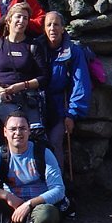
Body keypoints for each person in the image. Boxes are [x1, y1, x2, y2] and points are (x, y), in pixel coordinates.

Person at [0, 1, 50, 145]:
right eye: (18, 17)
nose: (22, 21)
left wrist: (21, 86)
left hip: (27, 95)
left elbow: (44, 77)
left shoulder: (33, 45)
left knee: (36, 134)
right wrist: (0, 90)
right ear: (9, 20)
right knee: (16, 126)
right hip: (3, 95)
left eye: (25, 18)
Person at [37, 11, 92, 165]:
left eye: (56, 24)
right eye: (48, 25)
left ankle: (58, 185)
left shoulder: (73, 52)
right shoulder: (36, 48)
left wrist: (72, 114)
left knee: (55, 143)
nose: (52, 28)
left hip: (60, 107)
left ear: (63, 28)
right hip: (37, 105)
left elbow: (80, 84)